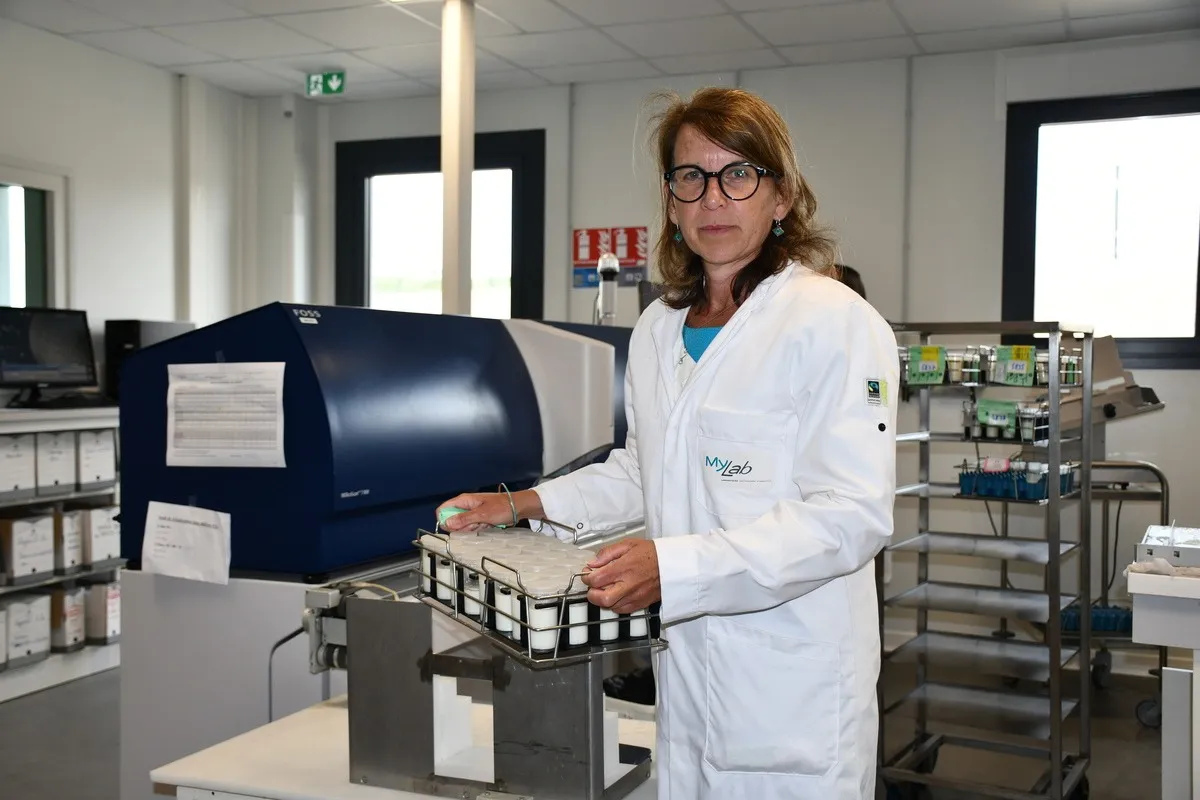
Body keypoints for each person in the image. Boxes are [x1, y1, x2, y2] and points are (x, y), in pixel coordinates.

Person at [439, 86, 898, 800]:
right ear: (671, 201)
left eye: (738, 174)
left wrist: (675, 569)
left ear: (781, 197)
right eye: (691, 177)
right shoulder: (658, 328)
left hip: (794, 695)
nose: (713, 199)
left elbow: (849, 516)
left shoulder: (832, 321)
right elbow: (643, 470)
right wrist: (524, 503)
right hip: (687, 681)